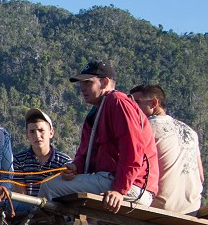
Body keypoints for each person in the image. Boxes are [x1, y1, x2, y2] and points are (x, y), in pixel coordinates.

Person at [39, 61, 159, 211]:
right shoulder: (94, 114)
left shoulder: (117, 101)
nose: (82, 88)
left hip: (133, 185)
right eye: (81, 84)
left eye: (88, 83)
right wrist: (75, 167)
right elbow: (85, 154)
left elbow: (132, 150)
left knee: (49, 188)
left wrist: (119, 190)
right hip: (113, 181)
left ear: (105, 82)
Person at [129, 83, 204, 214]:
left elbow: (133, 166)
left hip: (160, 206)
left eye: (136, 102)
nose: (132, 107)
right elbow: (201, 177)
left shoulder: (145, 128)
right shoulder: (190, 132)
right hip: (192, 207)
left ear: (153, 103)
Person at [13, 107, 74, 196]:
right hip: (27, 207)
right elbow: (21, 195)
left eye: (41, 130)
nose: (37, 135)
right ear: (27, 135)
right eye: (32, 132)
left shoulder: (64, 162)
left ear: (51, 133)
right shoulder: (18, 160)